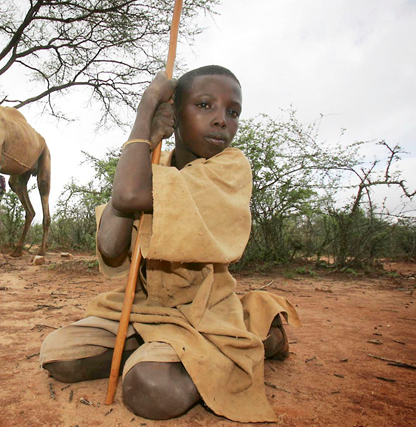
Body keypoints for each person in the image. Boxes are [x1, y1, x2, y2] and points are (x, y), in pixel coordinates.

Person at [39, 65, 301, 422]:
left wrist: (143, 109)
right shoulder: (149, 168)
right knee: (59, 355)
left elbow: (130, 194)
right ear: (175, 114)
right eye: (205, 105)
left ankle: (260, 337)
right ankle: (156, 347)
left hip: (204, 313)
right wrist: (145, 142)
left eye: (232, 111)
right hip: (145, 309)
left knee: (149, 389)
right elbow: (112, 246)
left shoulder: (230, 170)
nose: (222, 120)